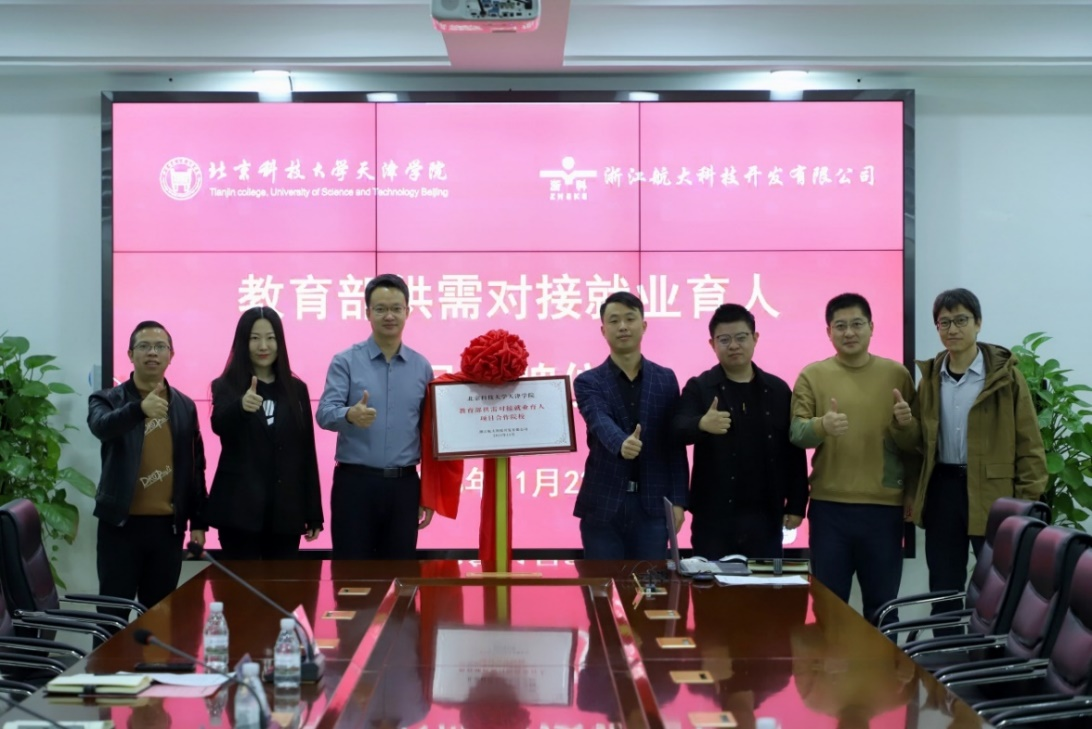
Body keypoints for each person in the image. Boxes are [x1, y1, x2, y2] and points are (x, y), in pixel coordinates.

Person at [907, 288, 1046, 622]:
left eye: (961, 320)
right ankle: (946, 651)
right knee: (943, 588)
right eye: (944, 322)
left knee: (999, 589)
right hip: (943, 491)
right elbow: (919, 445)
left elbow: (1029, 445)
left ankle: (992, 653)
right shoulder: (931, 379)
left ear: (978, 323)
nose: (952, 329)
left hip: (994, 495)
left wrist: (1026, 503)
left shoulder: (1005, 377)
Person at [789, 293, 918, 624]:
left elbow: (915, 444)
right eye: (841, 326)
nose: (849, 332)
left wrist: (906, 426)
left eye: (857, 324)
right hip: (830, 510)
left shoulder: (897, 375)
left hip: (884, 509)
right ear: (829, 331)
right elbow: (797, 434)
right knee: (830, 611)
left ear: (871, 327)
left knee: (883, 609)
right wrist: (822, 425)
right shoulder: (812, 375)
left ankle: (885, 662)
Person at [87, 321, 207, 616]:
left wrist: (199, 521)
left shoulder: (184, 406)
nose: (152, 353)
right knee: (112, 616)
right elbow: (101, 427)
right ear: (130, 354)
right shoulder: (106, 399)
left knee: (160, 617)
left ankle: (155, 653)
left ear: (171, 355)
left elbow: (196, 467)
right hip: (120, 526)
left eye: (159, 347)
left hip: (167, 530)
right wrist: (139, 409)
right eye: (144, 346)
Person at [673, 303, 808, 559]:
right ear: (712, 344)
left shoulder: (778, 390)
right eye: (724, 340)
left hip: (765, 516)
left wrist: (797, 503)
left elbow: (793, 451)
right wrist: (701, 424)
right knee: (711, 584)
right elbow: (676, 428)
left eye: (741, 337)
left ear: (755, 338)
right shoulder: (700, 387)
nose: (733, 345)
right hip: (713, 518)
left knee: (763, 584)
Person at [316, 273, 435, 559]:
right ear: (368, 312)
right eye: (380, 309)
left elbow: (429, 434)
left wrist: (429, 494)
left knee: (400, 573)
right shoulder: (345, 361)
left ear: (407, 311)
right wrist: (349, 415)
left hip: (404, 486)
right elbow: (324, 413)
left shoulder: (421, 367)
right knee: (351, 573)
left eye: (396, 308)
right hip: (355, 485)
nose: (389, 316)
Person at [573, 291, 689, 560]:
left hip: (653, 506)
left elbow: (675, 444)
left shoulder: (665, 379)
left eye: (629, 319)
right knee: (602, 584)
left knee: (651, 584)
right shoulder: (588, 381)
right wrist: (621, 442)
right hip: (603, 506)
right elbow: (598, 418)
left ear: (643, 325)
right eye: (614, 321)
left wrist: (679, 501)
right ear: (603, 330)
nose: (623, 326)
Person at [206, 307, 323, 559]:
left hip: (286, 513)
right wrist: (240, 407)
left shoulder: (296, 389)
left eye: (271, 338)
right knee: (240, 583)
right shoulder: (225, 385)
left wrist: (313, 512)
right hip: (239, 510)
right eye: (254, 338)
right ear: (243, 342)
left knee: (281, 583)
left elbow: (306, 451)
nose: (263, 346)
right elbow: (219, 425)